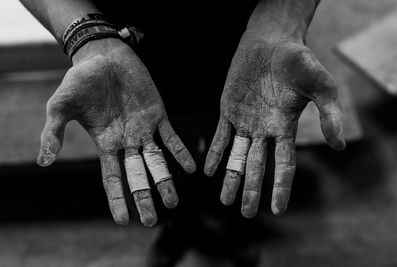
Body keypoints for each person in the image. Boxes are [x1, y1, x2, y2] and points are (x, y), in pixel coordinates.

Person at [19, 0, 345, 229]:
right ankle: (182, 225)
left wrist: (283, 18)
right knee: (157, 163)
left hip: (251, 55)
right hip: (129, 65)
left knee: (244, 160)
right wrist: (88, 39)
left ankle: (234, 227)